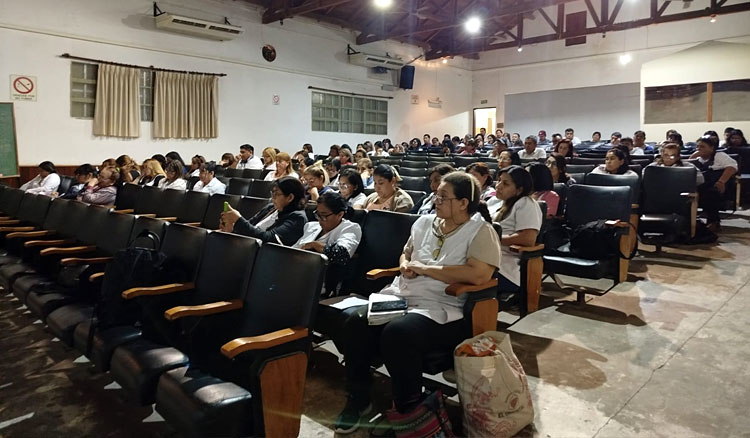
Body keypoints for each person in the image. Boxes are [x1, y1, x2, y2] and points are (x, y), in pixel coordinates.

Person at [332, 172, 501, 434]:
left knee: (399, 333)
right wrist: (404, 265)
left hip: (443, 306)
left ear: (463, 203)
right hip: (402, 295)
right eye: (436, 195)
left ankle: (408, 409)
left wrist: (428, 269)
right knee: (355, 322)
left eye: (443, 197)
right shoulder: (424, 223)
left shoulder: (480, 231)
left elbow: (479, 274)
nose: (436, 200)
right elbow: (407, 253)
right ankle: (359, 398)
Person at [293, 191, 362, 296]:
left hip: (320, 283)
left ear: (340, 214)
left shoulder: (350, 228)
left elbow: (341, 254)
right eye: (318, 214)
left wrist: (314, 245)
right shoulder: (311, 226)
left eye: (324, 216)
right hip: (295, 273)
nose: (320, 220)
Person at [493, 165, 542, 298]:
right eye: (499, 181)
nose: (498, 186)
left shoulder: (526, 203)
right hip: (484, 259)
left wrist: (491, 238)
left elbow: (527, 238)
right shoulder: (494, 202)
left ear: (519, 189)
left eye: (505, 183)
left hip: (504, 267)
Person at [220, 176, 307, 245]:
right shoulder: (271, 208)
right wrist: (232, 228)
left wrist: (238, 220)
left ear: (290, 197)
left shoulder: (297, 218)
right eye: (272, 193)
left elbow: (268, 239)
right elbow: (250, 225)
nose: (273, 198)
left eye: (276, 194)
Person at [690, 135, 737, 232]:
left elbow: (732, 167)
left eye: (702, 147)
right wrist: (693, 157)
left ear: (711, 148)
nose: (699, 149)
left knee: (711, 193)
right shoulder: (698, 159)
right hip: (703, 184)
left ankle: (714, 222)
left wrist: (721, 182)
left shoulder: (720, 156)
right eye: (698, 146)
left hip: (721, 184)